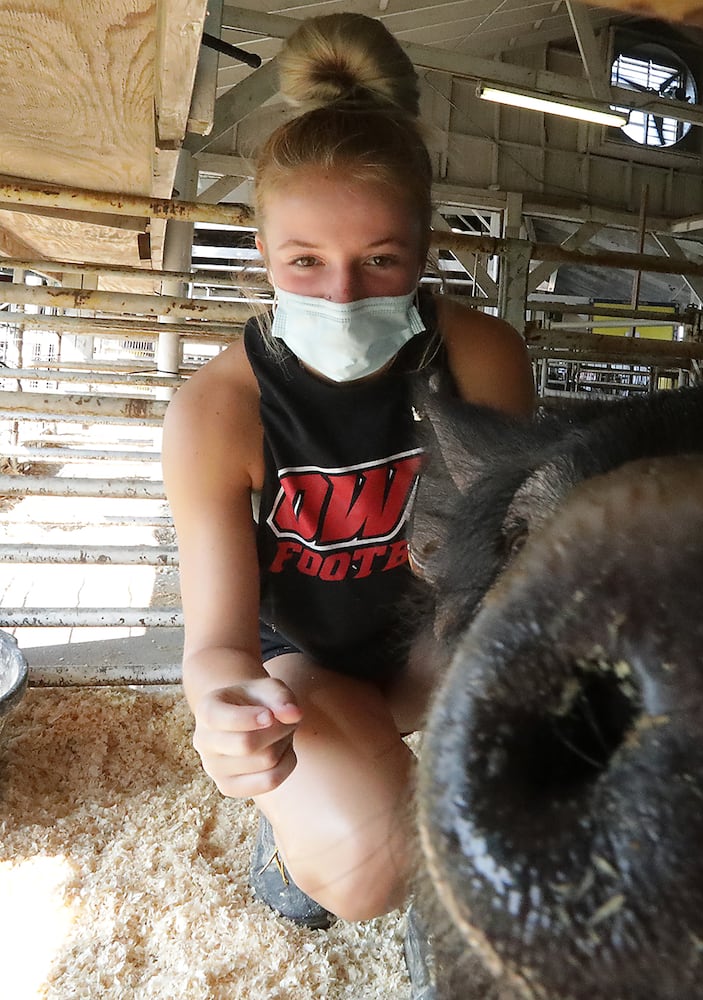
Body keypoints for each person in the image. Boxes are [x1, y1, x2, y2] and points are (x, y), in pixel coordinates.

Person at [160, 8, 534, 968]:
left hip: (437, 639)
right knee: (371, 862)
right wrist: (227, 716)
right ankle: (299, 833)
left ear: (425, 249)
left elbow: (506, 556)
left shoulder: (479, 356)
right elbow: (216, 647)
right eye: (305, 263)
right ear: (262, 256)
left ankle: (446, 916)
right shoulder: (219, 411)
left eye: (380, 261)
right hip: (307, 661)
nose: (341, 295)